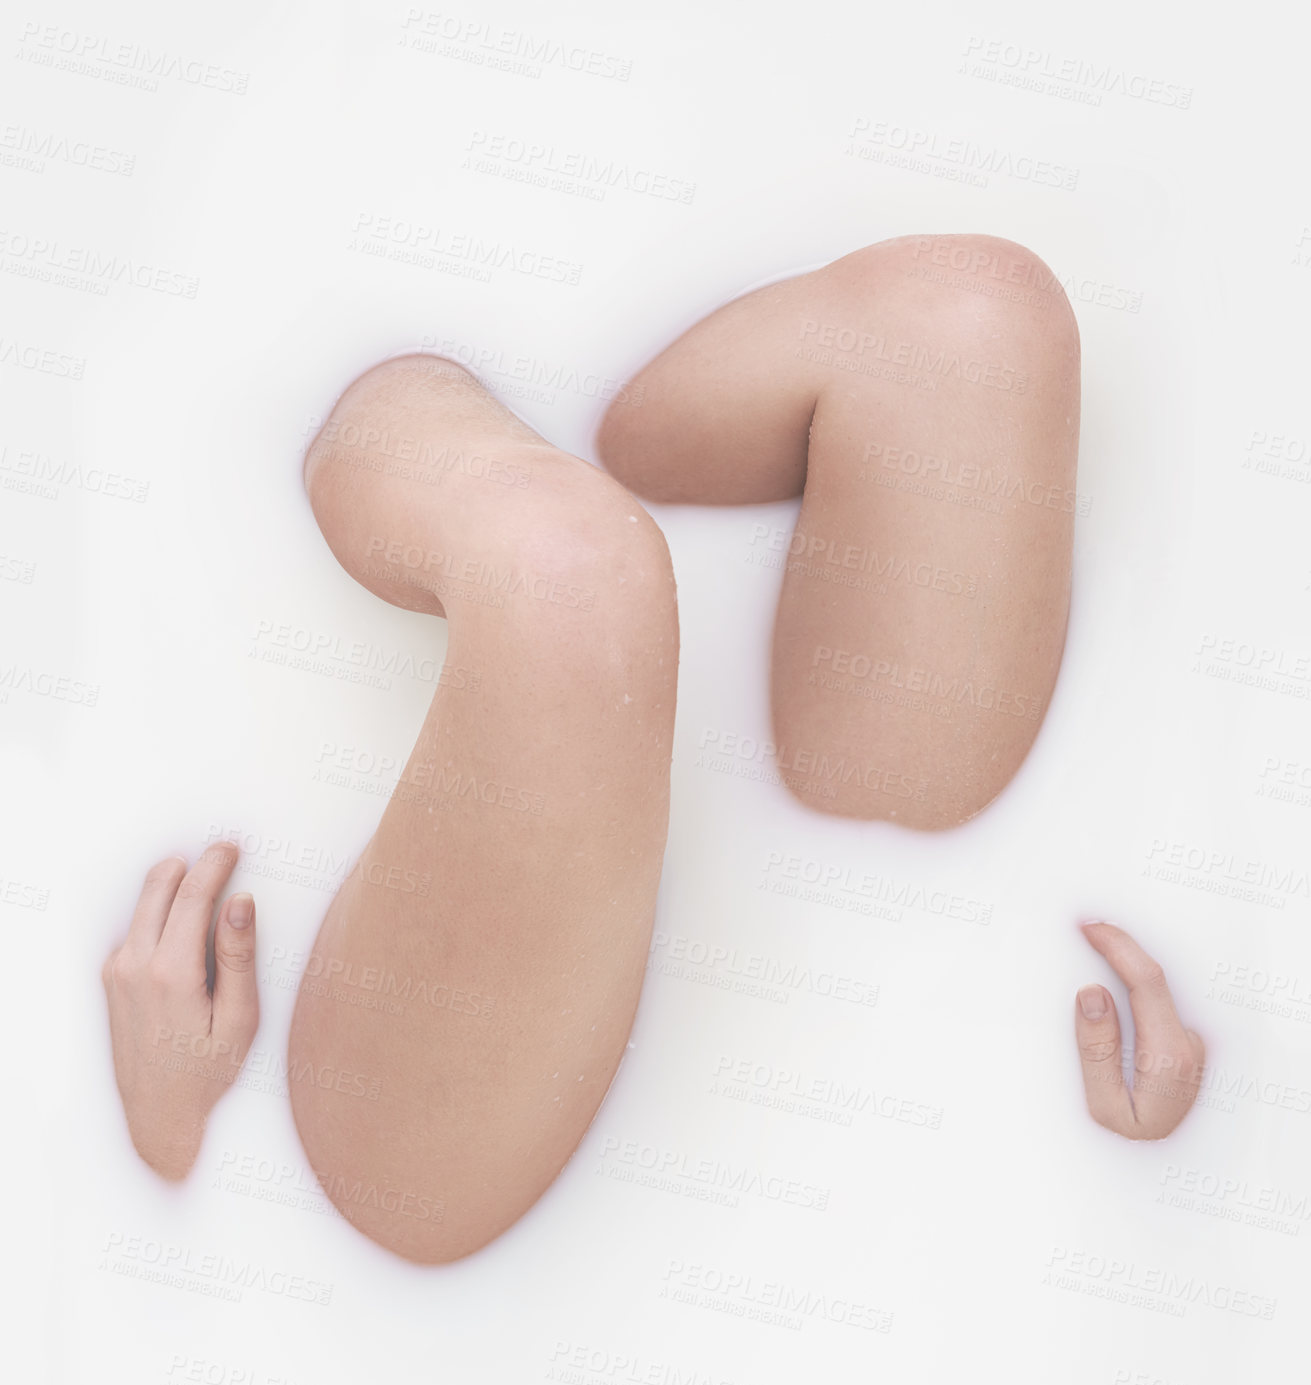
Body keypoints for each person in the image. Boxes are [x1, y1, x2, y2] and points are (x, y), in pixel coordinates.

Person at [100, 237, 1206, 1263]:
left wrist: (167, 1154)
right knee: (980, 315)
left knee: (567, 575)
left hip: (419, 1161)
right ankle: (596, 428)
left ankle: (530, 427)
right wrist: (1185, 1166)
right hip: (922, 996)